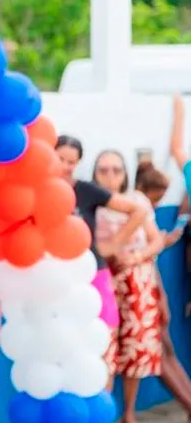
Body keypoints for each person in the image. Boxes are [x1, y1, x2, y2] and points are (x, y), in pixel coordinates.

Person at [92, 150, 164, 423]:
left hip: (137, 280)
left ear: (125, 174)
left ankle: (129, 413)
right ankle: (105, 412)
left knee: (137, 346)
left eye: (116, 170)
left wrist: (136, 257)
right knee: (105, 348)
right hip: (104, 281)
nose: (110, 176)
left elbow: (156, 240)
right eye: (103, 170)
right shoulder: (93, 204)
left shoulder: (137, 201)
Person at [55, 135, 147, 329]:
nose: (64, 166)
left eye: (71, 162)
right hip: (58, 275)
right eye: (60, 159)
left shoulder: (87, 191)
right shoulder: (41, 192)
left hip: (93, 271)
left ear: (78, 163)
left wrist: (115, 244)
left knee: (103, 331)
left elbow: (138, 211)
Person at [132, 156, 191, 416]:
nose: (157, 205)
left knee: (165, 353)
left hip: (152, 291)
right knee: (163, 354)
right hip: (145, 291)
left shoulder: (143, 215)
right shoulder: (140, 212)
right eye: (158, 198)